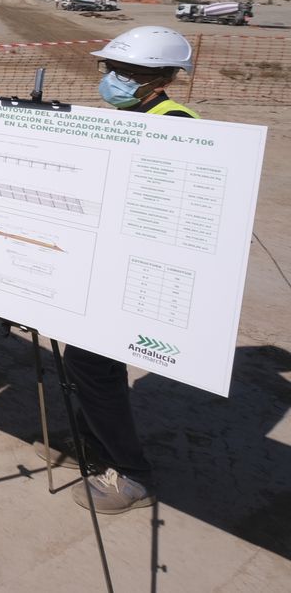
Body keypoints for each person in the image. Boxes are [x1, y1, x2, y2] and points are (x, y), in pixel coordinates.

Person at [58, 26, 198, 514]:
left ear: (157, 79)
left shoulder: (175, 124)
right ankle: (95, 444)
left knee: (94, 367)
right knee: (82, 362)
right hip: (100, 264)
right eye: (110, 69)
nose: (112, 79)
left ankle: (132, 474)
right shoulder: (130, 114)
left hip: (130, 274)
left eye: (124, 72)